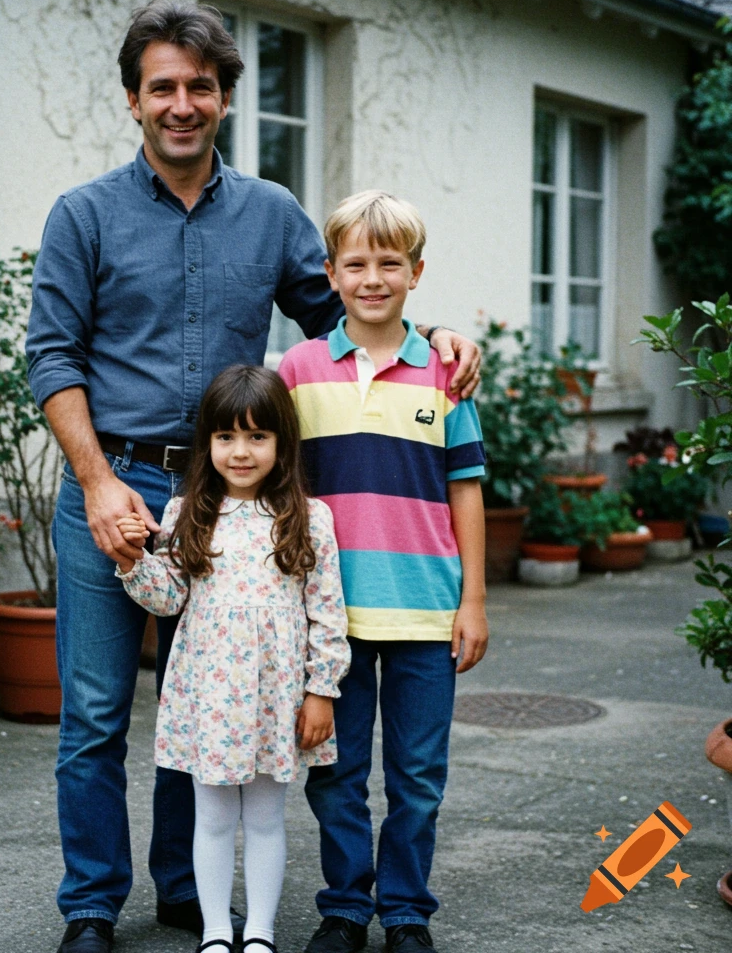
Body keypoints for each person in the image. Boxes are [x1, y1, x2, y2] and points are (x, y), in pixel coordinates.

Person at [24, 0, 482, 953]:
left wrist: (437, 334)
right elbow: (53, 359)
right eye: (163, 87)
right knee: (99, 712)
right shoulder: (84, 215)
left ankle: (184, 888)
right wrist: (101, 483)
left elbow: (350, 322)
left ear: (225, 97)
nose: (181, 104)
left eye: (200, 86)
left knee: (203, 699)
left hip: (230, 496)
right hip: (110, 486)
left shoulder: (273, 215)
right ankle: (91, 906)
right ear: (133, 100)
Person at [277, 192, 489, 953]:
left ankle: (405, 913)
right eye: (356, 264)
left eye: (389, 263)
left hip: (426, 613)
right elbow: (281, 488)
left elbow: (465, 489)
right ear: (330, 274)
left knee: (418, 778)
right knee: (333, 772)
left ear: (416, 273)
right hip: (330, 618)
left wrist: (474, 601)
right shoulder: (297, 371)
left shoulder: (445, 374)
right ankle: (343, 908)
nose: (373, 278)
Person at [113, 365, 351, 953]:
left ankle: (262, 933)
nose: (240, 452)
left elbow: (328, 613)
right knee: (213, 817)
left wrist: (321, 690)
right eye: (226, 438)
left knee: (267, 818)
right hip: (212, 698)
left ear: (281, 443)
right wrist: (130, 561)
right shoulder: (185, 512)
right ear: (208, 443)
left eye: (256, 437)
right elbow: (167, 598)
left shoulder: (309, 518)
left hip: (277, 698)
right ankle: (218, 932)